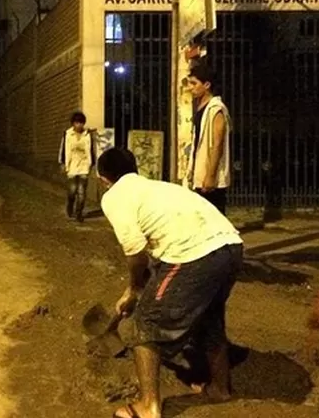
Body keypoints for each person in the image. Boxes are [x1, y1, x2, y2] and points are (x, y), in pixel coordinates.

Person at [98, 148, 243, 418]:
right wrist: (146, 287)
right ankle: (220, 389)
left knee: (146, 321)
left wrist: (135, 289)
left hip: (194, 254)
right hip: (231, 247)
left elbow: (135, 251)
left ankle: (147, 407)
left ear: (103, 179)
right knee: (209, 318)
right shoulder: (158, 187)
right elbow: (160, 262)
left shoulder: (114, 196)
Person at [186, 57, 231, 214]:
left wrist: (210, 176)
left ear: (206, 85)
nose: (190, 88)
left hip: (211, 177)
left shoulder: (216, 109)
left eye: (194, 83)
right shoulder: (201, 107)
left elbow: (217, 144)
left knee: (214, 220)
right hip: (200, 172)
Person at [58, 112, 96, 222]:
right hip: (72, 166)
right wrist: (62, 163)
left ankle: (79, 213)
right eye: (76, 123)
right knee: (72, 191)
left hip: (84, 166)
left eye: (81, 123)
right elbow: (63, 149)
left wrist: (92, 164)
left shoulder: (87, 135)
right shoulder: (67, 134)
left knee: (81, 192)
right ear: (73, 123)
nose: (78, 125)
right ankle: (70, 206)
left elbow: (91, 150)